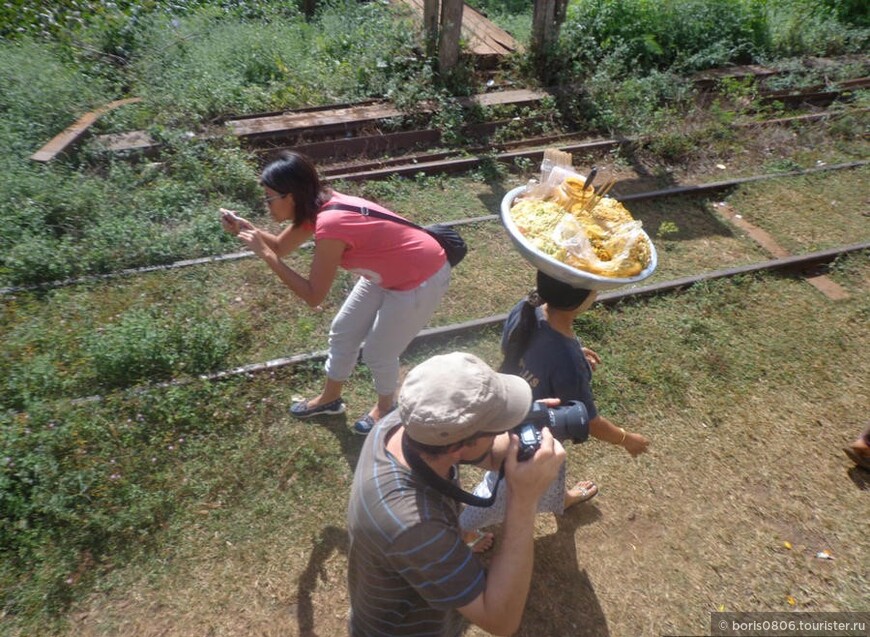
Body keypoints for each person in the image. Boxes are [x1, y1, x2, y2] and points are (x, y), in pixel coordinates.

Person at [220, 151, 451, 435]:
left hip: (421, 276)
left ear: (290, 196)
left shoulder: (331, 224)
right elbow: (280, 247)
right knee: (343, 330)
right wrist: (247, 229)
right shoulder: (315, 207)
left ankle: (386, 408)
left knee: (379, 352)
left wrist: (265, 255)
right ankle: (330, 399)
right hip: (384, 273)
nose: (266, 206)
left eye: (269, 198)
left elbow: (313, 295)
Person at [346, 351, 566, 637]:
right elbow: (501, 621)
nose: (503, 430)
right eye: (496, 426)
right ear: (457, 447)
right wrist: (523, 501)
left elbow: (485, 448)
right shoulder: (417, 528)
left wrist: (526, 423)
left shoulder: (407, 422)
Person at [460, 270, 650, 532]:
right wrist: (627, 439)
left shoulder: (527, 307)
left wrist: (572, 355)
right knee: (500, 489)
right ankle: (461, 528)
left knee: (553, 468)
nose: (597, 293)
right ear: (579, 301)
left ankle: (562, 499)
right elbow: (590, 421)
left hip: (506, 405)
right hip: (529, 433)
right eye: (594, 288)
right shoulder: (567, 362)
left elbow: (527, 348)